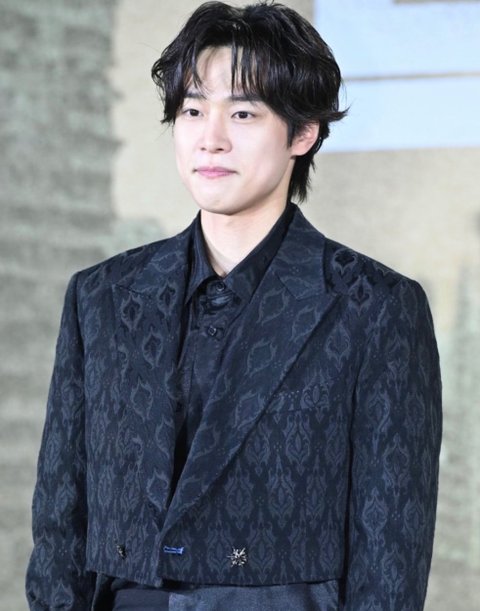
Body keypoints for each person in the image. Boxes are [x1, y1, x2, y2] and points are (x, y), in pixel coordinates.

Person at [26, 2, 442, 610]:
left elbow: (390, 557)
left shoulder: (374, 307)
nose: (210, 138)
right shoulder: (103, 296)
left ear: (303, 133)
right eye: (193, 110)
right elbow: (60, 524)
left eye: (243, 113)